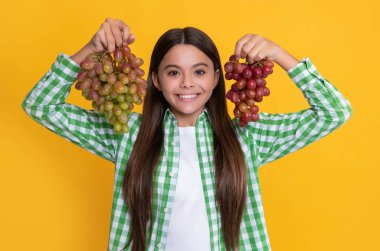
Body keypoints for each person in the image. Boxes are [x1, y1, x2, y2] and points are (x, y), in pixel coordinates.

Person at [22, 18, 352, 251]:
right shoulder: (128, 136)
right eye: (173, 73)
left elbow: (334, 112)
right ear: (155, 80)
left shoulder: (247, 137)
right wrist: (92, 47)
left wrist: (279, 55)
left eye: (199, 71)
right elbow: (40, 106)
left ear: (215, 79)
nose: (187, 84)